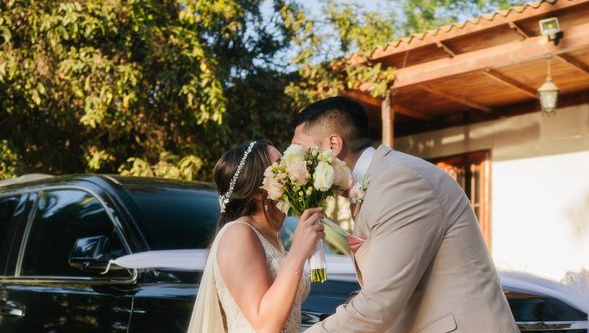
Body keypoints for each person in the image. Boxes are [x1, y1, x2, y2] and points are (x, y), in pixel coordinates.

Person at [292, 97, 519, 333]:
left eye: (301, 151)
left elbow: (378, 305)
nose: (298, 163)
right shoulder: (378, 181)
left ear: (333, 145)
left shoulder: (399, 181)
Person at [188, 140, 324, 333]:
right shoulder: (238, 234)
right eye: (281, 167)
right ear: (259, 192)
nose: (291, 171)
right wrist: (298, 252)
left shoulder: (270, 236)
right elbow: (264, 325)